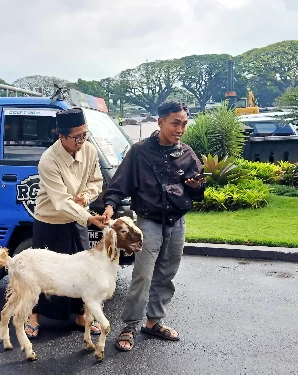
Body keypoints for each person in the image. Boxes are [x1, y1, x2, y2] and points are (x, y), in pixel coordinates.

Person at [102, 100, 206, 351]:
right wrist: (109, 205)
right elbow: (119, 185)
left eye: (183, 124)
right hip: (148, 222)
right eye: (175, 123)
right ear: (160, 122)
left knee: (166, 274)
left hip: (177, 222)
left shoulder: (187, 153)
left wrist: (196, 186)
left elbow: (199, 191)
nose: (180, 129)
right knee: (143, 276)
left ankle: (153, 322)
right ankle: (129, 326)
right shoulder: (139, 152)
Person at [25, 107, 108, 339]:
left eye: (85, 134)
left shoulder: (89, 150)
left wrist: (88, 196)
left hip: (77, 220)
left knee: (82, 272)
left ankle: (82, 314)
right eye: (76, 137)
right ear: (61, 136)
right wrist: (90, 217)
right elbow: (60, 201)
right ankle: (33, 314)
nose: (82, 140)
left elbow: (96, 181)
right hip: (50, 222)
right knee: (44, 273)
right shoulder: (48, 160)